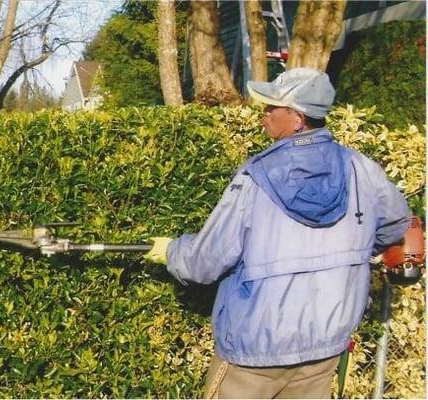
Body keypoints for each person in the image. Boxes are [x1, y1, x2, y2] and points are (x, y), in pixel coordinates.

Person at [144, 68, 410, 399]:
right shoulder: (361, 169)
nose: (264, 114)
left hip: (254, 353)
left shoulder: (255, 177)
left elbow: (204, 263)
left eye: (272, 107)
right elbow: (397, 224)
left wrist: (171, 251)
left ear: (297, 118)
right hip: (323, 346)